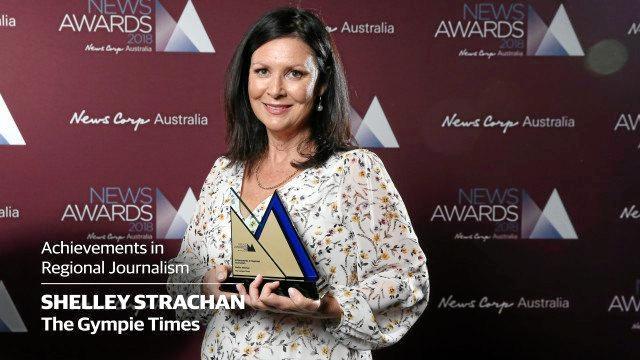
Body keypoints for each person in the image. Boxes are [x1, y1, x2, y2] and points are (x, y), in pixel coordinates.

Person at [167, 7, 429, 360]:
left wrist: (328, 307)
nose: (274, 90)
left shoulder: (354, 172)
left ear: (320, 84)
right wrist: (205, 284)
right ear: (246, 80)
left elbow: (408, 279)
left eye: (294, 73)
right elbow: (180, 277)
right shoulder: (223, 174)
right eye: (262, 72)